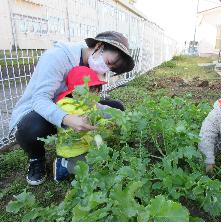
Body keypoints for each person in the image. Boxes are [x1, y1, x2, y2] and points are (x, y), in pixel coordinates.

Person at [9, 31, 135, 185]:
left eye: (111, 69)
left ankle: (86, 143)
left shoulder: (92, 63)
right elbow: (40, 99)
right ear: (99, 46)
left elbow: (90, 99)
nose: (105, 69)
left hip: (75, 107)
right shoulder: (57, 57)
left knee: (116, 108)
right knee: (32, 127)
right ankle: (36, 158)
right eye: (108, 62)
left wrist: (110, 114)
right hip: (41, 109)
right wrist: (67, 119)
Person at [53, 66, 123, 182]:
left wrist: (114, 119)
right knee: (90, 170)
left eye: (97, 91)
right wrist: (105, 126)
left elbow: (101, 115)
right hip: (73, 151)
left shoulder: (90, 104)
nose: (96, 95)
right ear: (75, 94)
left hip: (88, 145)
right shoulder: (67, 108)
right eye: (91, 90)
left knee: (105, 159)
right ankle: (63, 164)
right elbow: (89, 127)